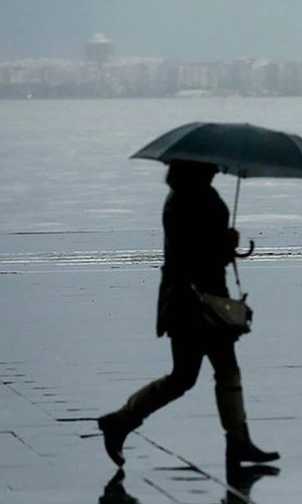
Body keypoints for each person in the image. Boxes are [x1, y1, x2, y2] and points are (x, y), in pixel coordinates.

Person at [97, 160, 278, 468]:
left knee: (205, 372)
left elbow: (198, 250)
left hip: (193, 300)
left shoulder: (187, 196)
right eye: (211, 166)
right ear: (197, 169)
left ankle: (237, 440)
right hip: (194, 302)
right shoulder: (188, 201)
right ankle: (123, 420)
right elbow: (196, 254)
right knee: (196, 374)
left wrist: (224, 245)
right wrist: (226, 244)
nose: (217, 169)